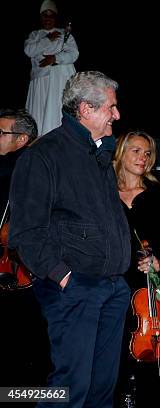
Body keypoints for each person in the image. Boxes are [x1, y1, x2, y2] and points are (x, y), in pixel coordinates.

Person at [9, 70, 130, 408]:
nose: (117, 115)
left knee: (101, 391)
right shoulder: (43, 155)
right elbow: (25, 233)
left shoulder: (99, 153)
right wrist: (65, 278)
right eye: (111, 107)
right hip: (75, 290)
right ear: (86, 110)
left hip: (111, 289)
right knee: (67, 390)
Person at [113, 131, 160, 408]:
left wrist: (159, 260)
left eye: (148, 153)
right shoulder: (104, 193)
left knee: (151, 354)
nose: (143, 158)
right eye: (136, 151)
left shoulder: (159, 193)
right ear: (121, 153)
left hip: (148, 287)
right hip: (113, 282)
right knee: (114, 353)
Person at [0, 108, 48, 388]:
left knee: (24, 345)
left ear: (21, 139)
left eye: (2, 133)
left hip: (22, 269)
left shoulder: (27, 164)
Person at [25, 0, 79, 136]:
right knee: (39, 114)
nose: (48, 18)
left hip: (57, 81)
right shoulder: (35, 35)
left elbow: (73, 54)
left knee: (55, 112)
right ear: (40, 17)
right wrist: (48, 39)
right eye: (45, 15)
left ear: (55, 17)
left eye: (51, 15)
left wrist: (54, 58)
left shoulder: (64, 34)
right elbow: (29, 51)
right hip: (40, 81)